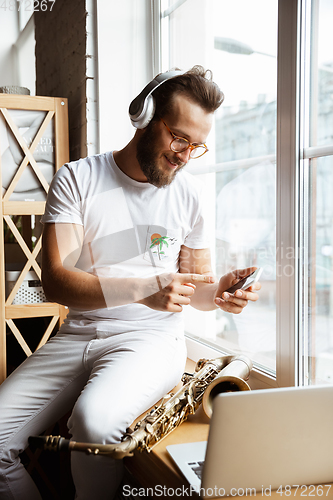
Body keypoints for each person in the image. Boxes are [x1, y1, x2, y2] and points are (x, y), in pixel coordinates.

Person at [0, 66, 260, 500]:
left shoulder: (191, 194)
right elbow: (57, 283)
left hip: (151, 341)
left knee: (96, 424)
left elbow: (192, 288)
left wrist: (219, 294)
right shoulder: (77, 179)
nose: (183, 155)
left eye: (196, 146)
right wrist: (146, 287)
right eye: (178, 137)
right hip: (78, 334)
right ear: (144, 116)